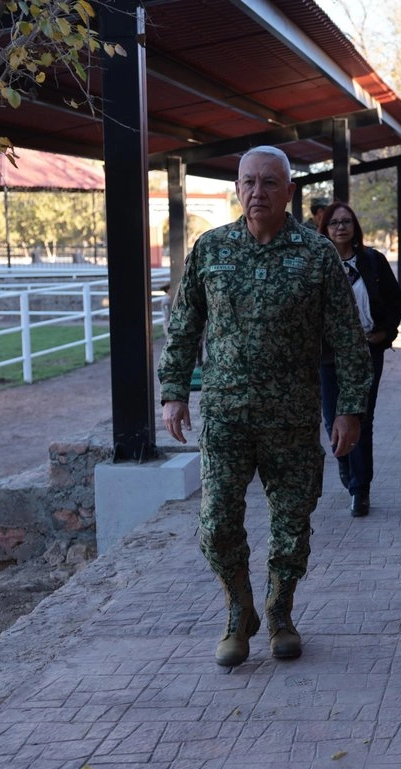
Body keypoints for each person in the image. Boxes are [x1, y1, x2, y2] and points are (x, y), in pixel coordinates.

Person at [157, 146, 372, 668]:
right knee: (216, 525)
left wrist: (350, 410)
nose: (258, 192)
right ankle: (239, 609)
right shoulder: (211, 249)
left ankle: (279, 612)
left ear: (289, 191)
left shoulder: (317, 254)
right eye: (249, 182)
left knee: (292, 524)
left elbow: (348, 339)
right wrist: (174, 391)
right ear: (237, 188)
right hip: (226, 417)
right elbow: (184, 326)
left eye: (270, 182)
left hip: (292, 419)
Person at [317, 201, 401, 517]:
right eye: (334, 223)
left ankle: (360, 488)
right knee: (332, 418)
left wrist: (385, 334)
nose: (341, 227)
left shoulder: (373, 261)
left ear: (355, 227)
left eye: (346, 222)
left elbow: (395, 302)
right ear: (325, 229)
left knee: (361, 419)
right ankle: (344, 460)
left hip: (367, 352)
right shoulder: (318, 263)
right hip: (329, 355)